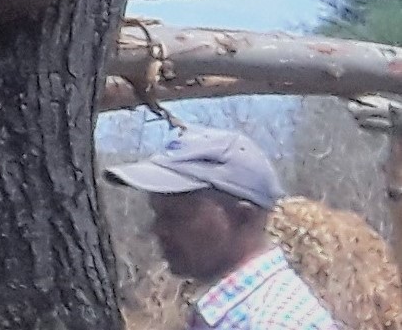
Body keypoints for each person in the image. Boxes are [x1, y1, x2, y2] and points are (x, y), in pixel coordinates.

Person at [106, 127, 336, 329]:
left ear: (243, 217)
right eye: (158, 214)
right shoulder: (233, 314)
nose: (158, 229)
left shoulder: (270, 322)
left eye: (177, 215)